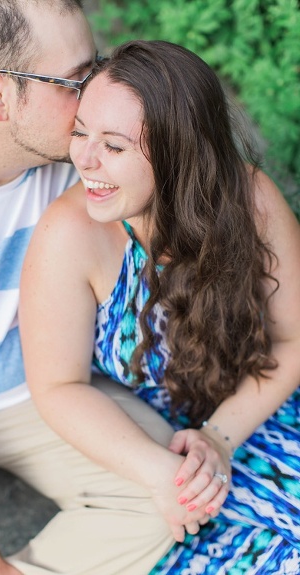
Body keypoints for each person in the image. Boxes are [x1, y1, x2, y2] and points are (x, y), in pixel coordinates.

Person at [0, 2, 210, 574]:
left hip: (50, 391)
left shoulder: (80, 148)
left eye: (95, 66)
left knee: (176, 498)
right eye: (75, 80)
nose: (96, 93)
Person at [19, 40, 300, 572]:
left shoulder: (253, 202)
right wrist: (164, 471)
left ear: (178, 153)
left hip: (254, 409)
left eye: (115, 146)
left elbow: (293, 339)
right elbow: (58, 387)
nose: (85, 158)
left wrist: (218, 438)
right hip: (148, 441)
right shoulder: (70, 233)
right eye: (81, 132)